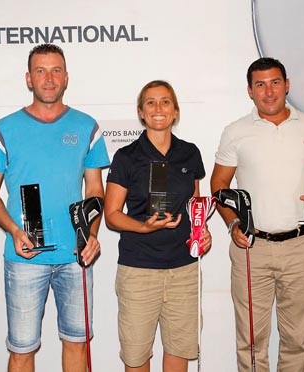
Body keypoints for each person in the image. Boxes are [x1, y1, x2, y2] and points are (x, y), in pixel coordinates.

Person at [0, 43, 109, 372]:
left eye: (55, 71)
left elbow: (95, 188)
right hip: (25, 257)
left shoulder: (86, 127)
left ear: (66, 78)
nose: (48, 78)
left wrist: (90, 235)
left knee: (77, 344)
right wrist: (13, 230)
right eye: (40, 71)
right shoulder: (3, 129)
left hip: (76, 257)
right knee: (22, 350)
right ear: (28, 78)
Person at [210, 57, 304, 372]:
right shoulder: (236, 131)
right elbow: (219, 185)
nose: (269, 92)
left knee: (297, 339)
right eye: (261, 85)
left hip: (300, 246)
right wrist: (232, 223)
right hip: (251, 248)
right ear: (250, 91)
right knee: (251, 340)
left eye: (275, 82)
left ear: (287, 85)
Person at [104, 80, 210, 372]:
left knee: (178, 350)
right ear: (141, 112)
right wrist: (143, 227)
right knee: (137, 356)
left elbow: (195, 205)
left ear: (175, 111)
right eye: (150, 102)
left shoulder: (190, 153)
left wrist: (202, 232)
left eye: (165, 102)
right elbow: (111, 214)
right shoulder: (126, 157)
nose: (158, 108)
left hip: (184, 270)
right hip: (139, 270)